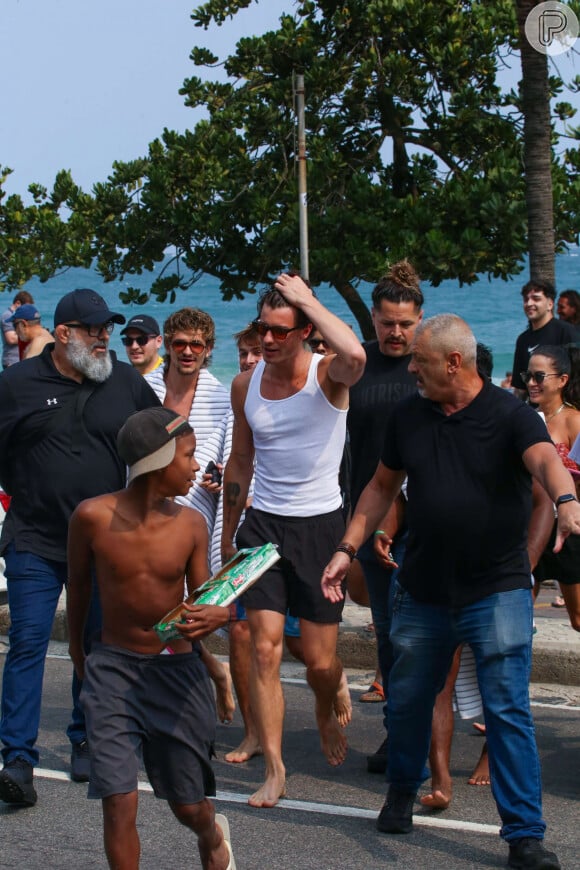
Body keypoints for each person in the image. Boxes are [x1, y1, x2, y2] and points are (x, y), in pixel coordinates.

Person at [322, 313, 580, 870]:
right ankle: (402, 791)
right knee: (411, 700)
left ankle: (524, 835)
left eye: (419, 360)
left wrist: (567, 502)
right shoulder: (408, 415)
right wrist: (348, 546)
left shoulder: (510, 415)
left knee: (508, 708)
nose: (410, 367)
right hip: (422, 590)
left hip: (497, 589)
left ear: (453, 363)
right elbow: (380, 486)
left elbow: (544, 462)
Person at [0, 288, 160, 805]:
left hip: (102, 543)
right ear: (64, 334)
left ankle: (86, 738)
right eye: (94, 331)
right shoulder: (17, 384)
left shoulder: (125, 380)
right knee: (27, 643)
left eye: (108, 330)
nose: (105, 339)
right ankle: (17, 761)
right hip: (34, 539)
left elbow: (163, 435)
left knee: (94, 647)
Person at [67, 407, 235, 870]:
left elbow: (212, 600)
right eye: (188, 456)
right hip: (113, 670)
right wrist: (81, 658)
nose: (196, 467)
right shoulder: (91, 517)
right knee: (119, 801)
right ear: (158, 461)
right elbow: (78, 589)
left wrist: (219, 614)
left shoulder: (191, 525)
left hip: (175, 674)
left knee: (189, 808)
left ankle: (213, 837)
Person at [221, 272, 365, 808]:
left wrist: (308, 298)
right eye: (264, 329)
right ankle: (277, 769)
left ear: (306, 330)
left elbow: (357, 353)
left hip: (319, 528)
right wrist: (229, 534)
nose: (269, 340)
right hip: (262, 528)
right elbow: (241, 459)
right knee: (264, 649)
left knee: (320, 662)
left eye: (282, 330)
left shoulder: (329, 375)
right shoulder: (245, 384)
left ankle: (329, 701)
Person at [347, 260, 423, 766]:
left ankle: (421, 739)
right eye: (386, 322)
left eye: (405, 324)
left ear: (421, 319)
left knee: (421, 637)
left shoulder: (434, 364)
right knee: (389, 635)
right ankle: (399, 734)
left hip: (425, 522)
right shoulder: (357, 365)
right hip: (367, 516)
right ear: (372, 318)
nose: (396, 333)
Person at [145, 308, 231, 539]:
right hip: (141, 508)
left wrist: (218, 478)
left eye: (197, 345)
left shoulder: (221, 401)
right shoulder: (142, 390)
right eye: (179, 344)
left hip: (194, 512)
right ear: (168, 346)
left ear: (208, 348)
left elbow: (229, 459)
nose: (187, 351)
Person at [524, 344, 580, 630]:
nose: (532, 383)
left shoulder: (574, 421)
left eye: (539, 376)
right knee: (518, 617)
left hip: (569, 532)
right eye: (528, 376)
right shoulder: (522, 418)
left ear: (562, 380)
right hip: (530, 526)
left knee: (579, 619)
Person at [511, 279, 577, 400]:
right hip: (535, 412)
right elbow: (520, 387)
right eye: (526, 299)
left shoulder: (567, 332)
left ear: (550, 304)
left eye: (536, 299)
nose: (529, 303)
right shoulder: (523, 339)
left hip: (565, 409)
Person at [1, 290, 34, 368]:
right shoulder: (8, 316)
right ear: (18, 303)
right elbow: (11, 339)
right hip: (12, 361)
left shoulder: (20, 316)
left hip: (20, 360)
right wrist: (32, 335)